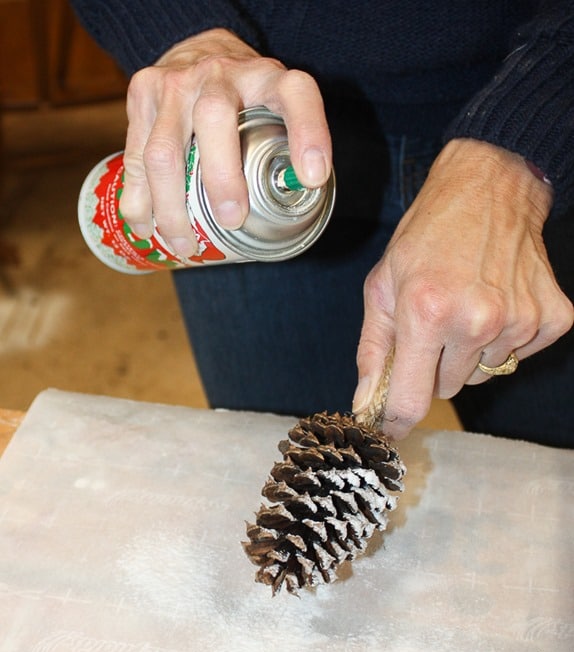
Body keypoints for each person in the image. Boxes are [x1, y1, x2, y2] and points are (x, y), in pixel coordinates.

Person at [70, 1, 574, 448]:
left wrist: (520, 153)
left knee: (552, 493)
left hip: (546, 131)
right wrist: (183, 32)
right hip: (243, 129)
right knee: (274, 475)